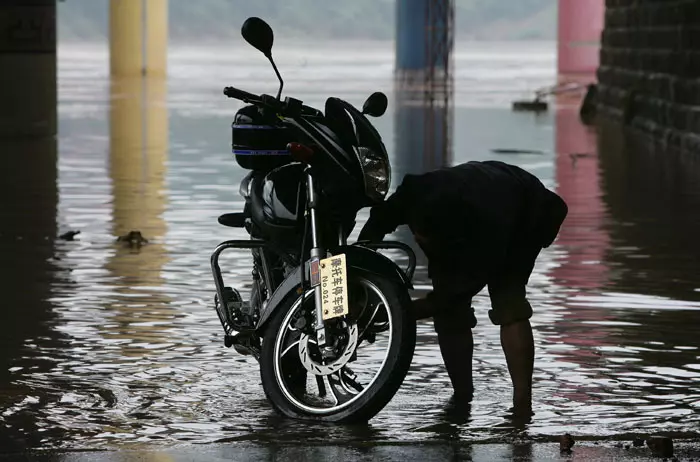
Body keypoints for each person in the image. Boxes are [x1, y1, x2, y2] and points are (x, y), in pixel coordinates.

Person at [357, 160, 568, 415]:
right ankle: (462, 396)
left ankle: (522, 403)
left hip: (524, 212)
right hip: (484, 195)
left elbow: (447, 299)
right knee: (452, 313)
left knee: (508, 303)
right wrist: (360, 276)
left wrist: (391, 312)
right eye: (420, 236)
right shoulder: (412, 192)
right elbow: (375, 225)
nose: (422, 243)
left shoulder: (483, 231)